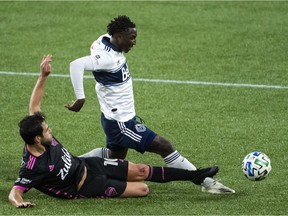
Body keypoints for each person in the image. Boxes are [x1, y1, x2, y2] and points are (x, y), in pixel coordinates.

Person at [8, 55, 220, 208]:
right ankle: (109, 185)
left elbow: (34, 108)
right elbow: (15, 191)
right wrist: (19, 203)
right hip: (86, 186)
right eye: (46, 131)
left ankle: (196, 175)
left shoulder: (37, 134)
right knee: (142, 189)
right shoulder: (32, 167)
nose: (50, 131)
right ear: (37, 139)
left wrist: (43, 75)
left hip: (89, 165)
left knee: (142, 171)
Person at [65, 15, 235, 194]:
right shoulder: (106, 57)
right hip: (121, 122)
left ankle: (68, 165)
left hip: (112, 118)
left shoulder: (103, 40)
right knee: (164, 146)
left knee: (113, 157)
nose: (134, 42)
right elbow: (75, 64)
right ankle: (206, 182)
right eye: (132, 38)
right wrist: (80, 98)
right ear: (119, 36)